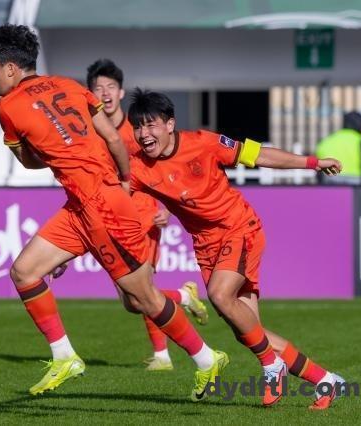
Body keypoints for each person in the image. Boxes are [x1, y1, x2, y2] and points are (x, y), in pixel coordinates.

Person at [0, 24, 227, 400]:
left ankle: (207, 358)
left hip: (99, 206)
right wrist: (124, 179)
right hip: (83, 204)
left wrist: (35, 147)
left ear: (10, 67)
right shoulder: (69, 85)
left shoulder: (8, 106)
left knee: (141, 299)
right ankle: (65, 357)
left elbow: (29, 162)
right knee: (25, 272)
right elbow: (112, 137)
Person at [127, 88, 346, 409]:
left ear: (170, 124)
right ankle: (326, 381)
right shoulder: (138, 167)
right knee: (248, 329)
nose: (144, 134)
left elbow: (259, 155)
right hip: (205, 246)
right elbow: (111, 196)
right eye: (138, 127)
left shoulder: (203, 142)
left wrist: (312, 162)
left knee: (219, 295)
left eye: (151, 125)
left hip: (239, 228)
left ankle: (271, 365)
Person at [85, 58, 208, 371]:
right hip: (111, 215)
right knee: (131, 300)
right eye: (98, 88)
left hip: (143, 213)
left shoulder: (138, 129)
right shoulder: (90, 131)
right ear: (90, 93)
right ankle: (184, 296)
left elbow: (162, 166)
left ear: (120, 92)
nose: (105, 93)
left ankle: (163, 356)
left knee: (142, 290)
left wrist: (163, 208)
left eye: (111, 87)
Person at [316, 111, 361, 185]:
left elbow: (318, 167)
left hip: (330, 181)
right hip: (354, 182)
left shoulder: (327, 141)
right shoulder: (359, 140)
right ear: (359, 125)